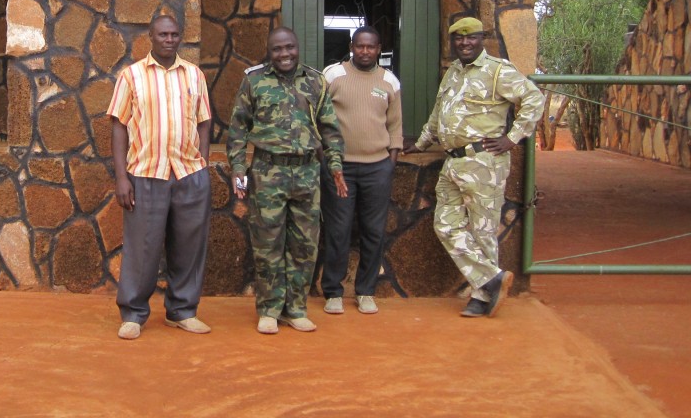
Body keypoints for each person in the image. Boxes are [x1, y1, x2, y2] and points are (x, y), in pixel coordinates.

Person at [404, 17, 544, 318]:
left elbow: (534, 99)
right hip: (453, 162)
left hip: (483, 162)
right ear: (453, 42)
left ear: (482, 38)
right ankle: (490, 279)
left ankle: (483, 297)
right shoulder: (453, 71)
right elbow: (438, 112)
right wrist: (423, 142)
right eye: (458, 38)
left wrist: (512, 137)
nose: (464, 43)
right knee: (445, 224)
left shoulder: (497, 71)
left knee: (483, 231)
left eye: (471, 38)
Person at [227, 27, 348, 335]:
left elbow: (330, 129)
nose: (284, 54)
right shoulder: (254, 81)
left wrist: (335, 166)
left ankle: (295, 308)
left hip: (307, 174)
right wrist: (238, 168)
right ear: (270, 51)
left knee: (304, 246)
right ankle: (269, 309)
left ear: (298, 47)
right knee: (267, 244)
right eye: (278, 49)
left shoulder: (315, 82)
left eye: (289, 48)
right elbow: (238, 128)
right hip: (268, 173)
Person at [108, 14, 213, 340]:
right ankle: (133, 314)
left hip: (188, 173)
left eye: (174, 34)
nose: (169, 39)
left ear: (180, 37)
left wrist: (203, 164)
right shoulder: (131, 76)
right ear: (151, 36)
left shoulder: (195, 76)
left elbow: (204, 122)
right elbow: (118, 125)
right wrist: (121, 177)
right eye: (163, 34)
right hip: (146, 173)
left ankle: (182, 311)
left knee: (189, 247)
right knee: (143, 247)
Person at [320, 25, 403, 315]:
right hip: (339, 168)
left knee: (373, 231)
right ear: (351, 46)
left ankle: (366, 291)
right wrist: (326, 157)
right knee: (337, 230)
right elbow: (318, 117)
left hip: (377, 169)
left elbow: (395, 125)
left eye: (370, 46)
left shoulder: (389, 81)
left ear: (379, 49)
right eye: (359, 46)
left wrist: (389, 161)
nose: (365, 51)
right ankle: (333, 291)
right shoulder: (333, 75)